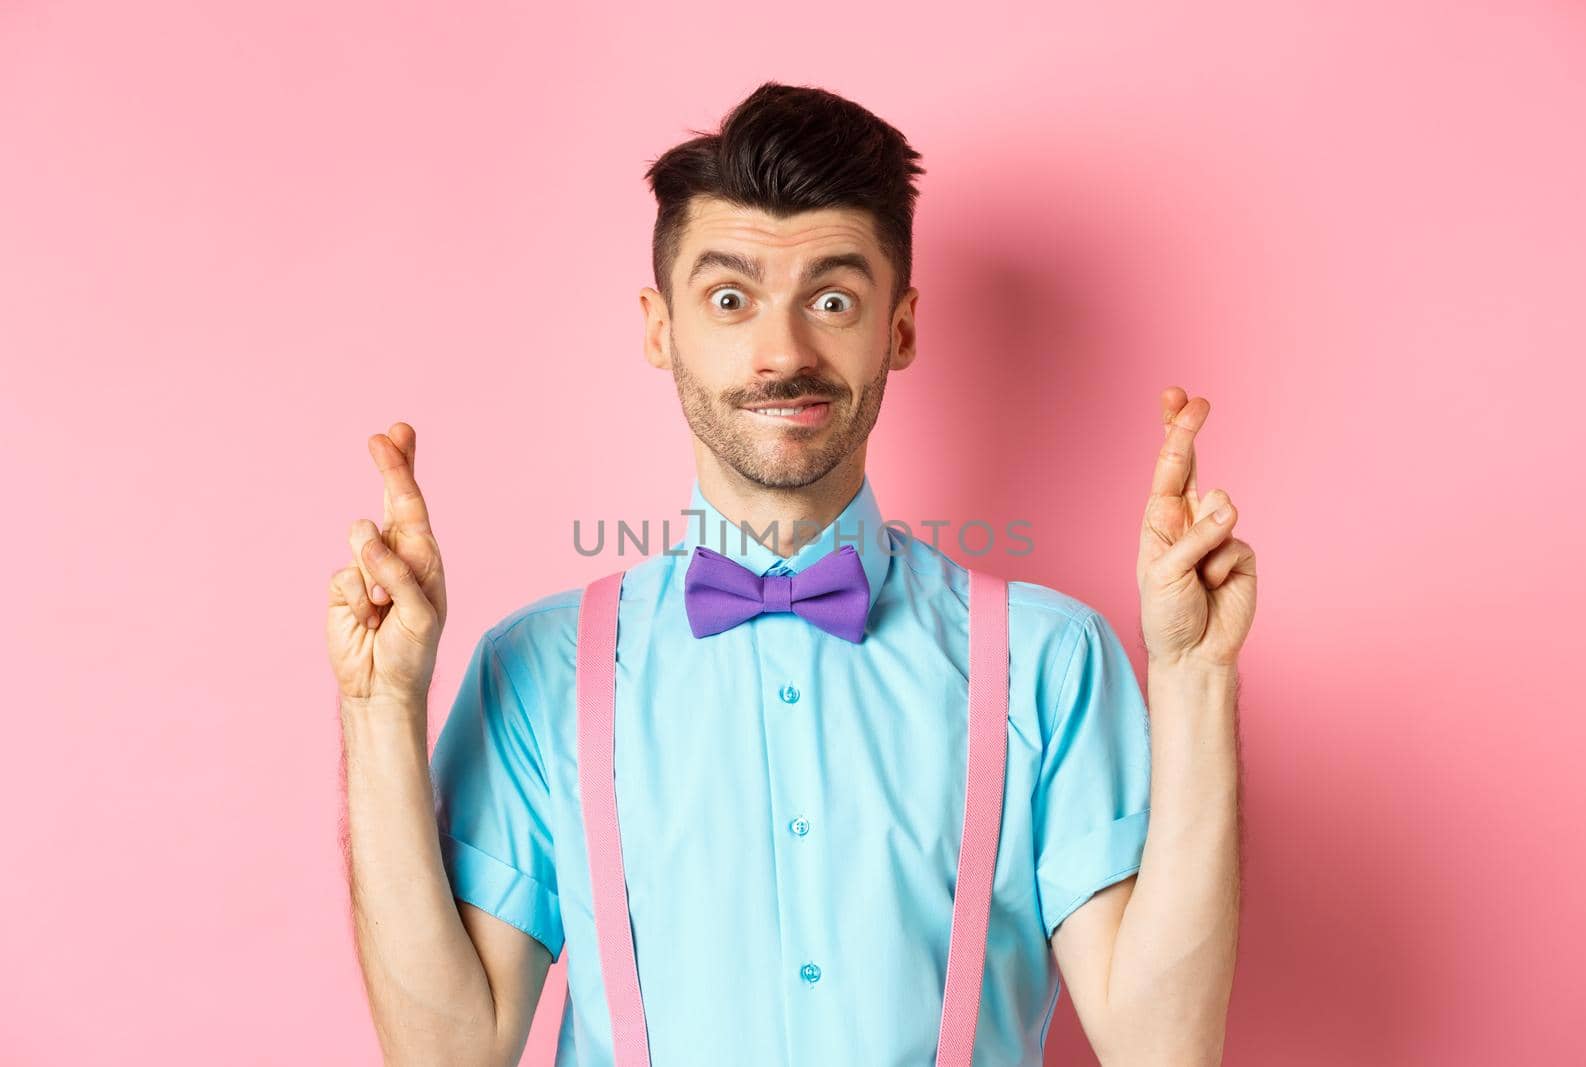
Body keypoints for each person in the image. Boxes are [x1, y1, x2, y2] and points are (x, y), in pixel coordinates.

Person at [327, 81, 1254, 1067]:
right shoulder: (534, 667)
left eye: (832, 299)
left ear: (897, 329)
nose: (782, 352)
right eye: (730, 299)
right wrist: (379, 706)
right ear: (659, 327)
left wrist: (1194, 679)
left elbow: (1161, 1046)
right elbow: (448, 1051)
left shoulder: (1051, 657)